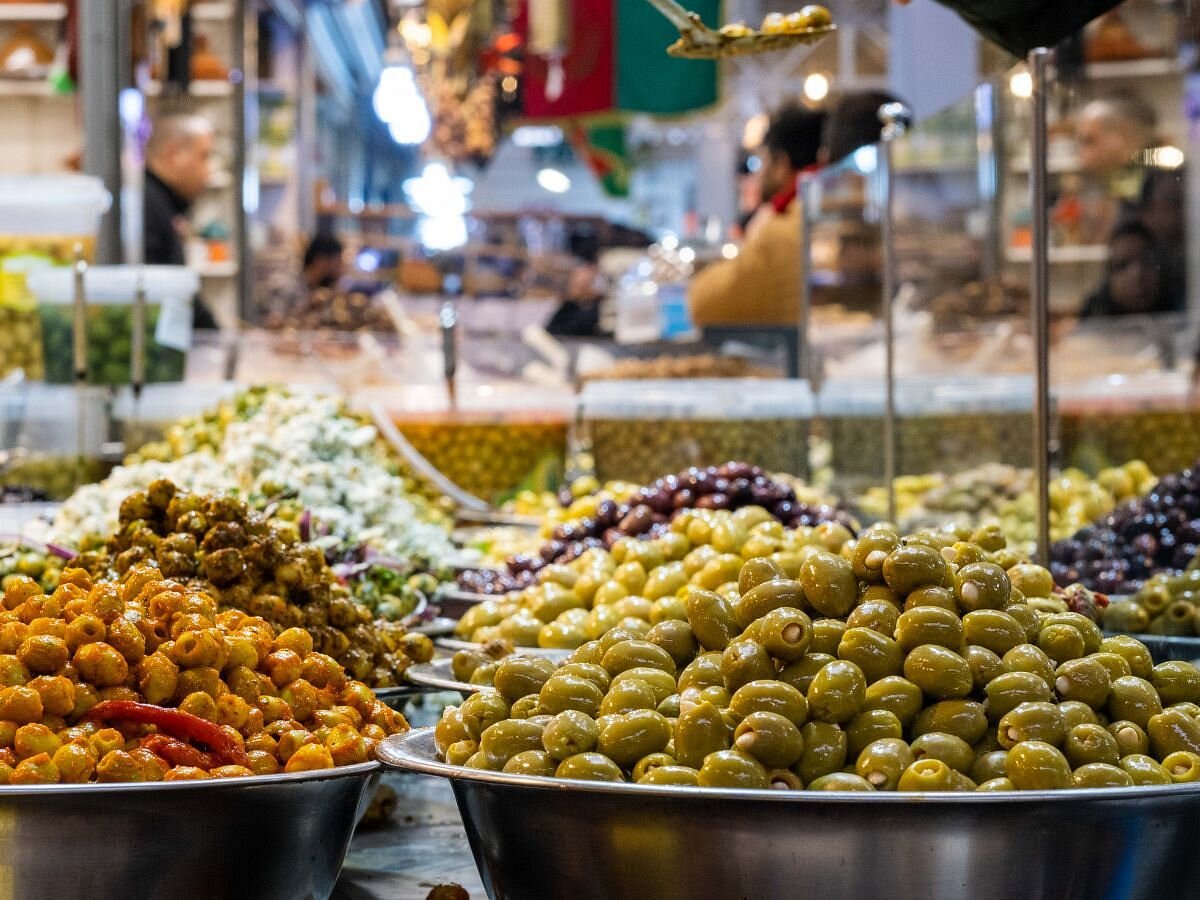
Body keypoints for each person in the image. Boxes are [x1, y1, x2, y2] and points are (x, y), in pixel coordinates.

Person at [688, 103, 825, 327]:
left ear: (780, 164)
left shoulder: (784, 229)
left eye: (762, 161)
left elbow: (703, 304)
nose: (758, 174)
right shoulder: (820, 208)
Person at [144, 114, 217, 328]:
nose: (209, 171)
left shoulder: (161, 202)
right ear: (174, 153)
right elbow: (167, 293)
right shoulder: (149, 205)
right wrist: (215, 336)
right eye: (204, 156)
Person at [1080, 220, 1182, 318]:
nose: (1138, 274)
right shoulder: (1095, 317)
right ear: (1109, 278)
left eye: (1147, 260)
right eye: (1123, 265)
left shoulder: (1181, 312)